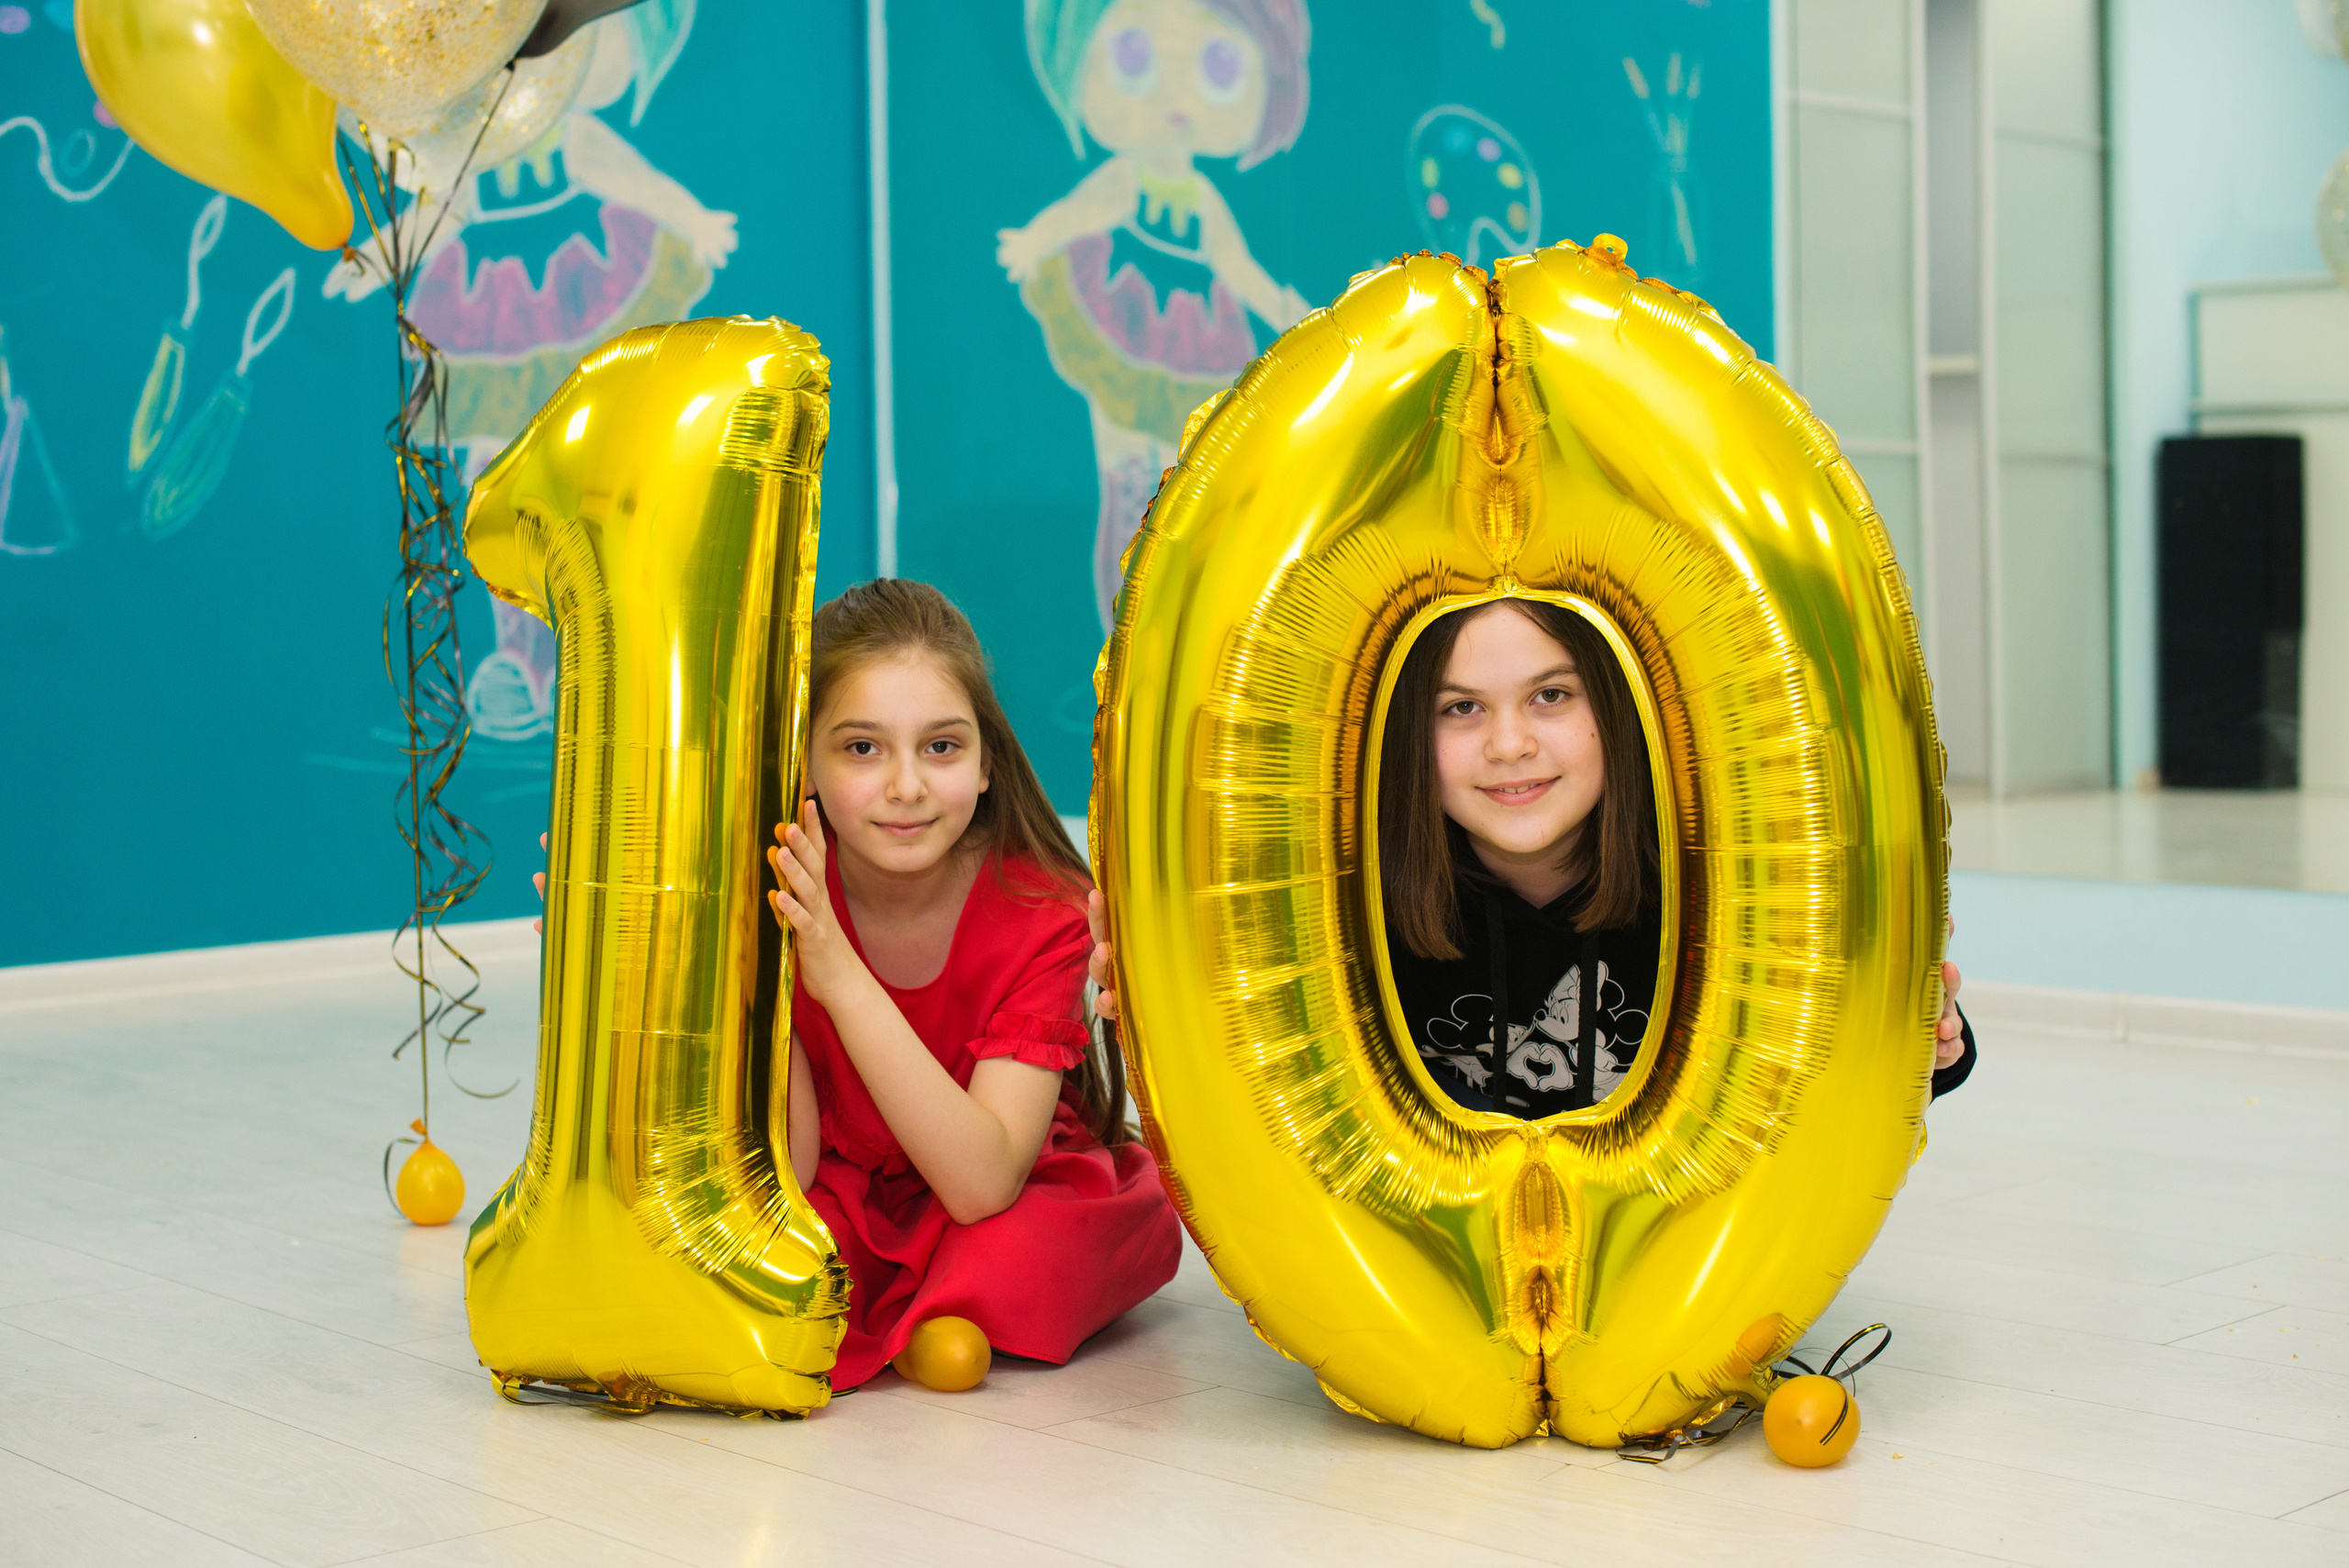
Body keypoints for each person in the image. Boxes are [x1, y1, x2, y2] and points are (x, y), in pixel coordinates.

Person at [1087, 597, 1976, 1114]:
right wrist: (1168, 1022)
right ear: (1406, 737)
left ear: (1615, 710)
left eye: (1549, 695)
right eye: (1460, 708)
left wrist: (1927, 1046)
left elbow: (1814, 1092)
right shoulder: (1350, 914)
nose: (1509, 744)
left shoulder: (1710, 891)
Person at [763, 579, 1180, 1390]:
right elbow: (799, 1164)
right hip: (851, 1186)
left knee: (1036, 1247)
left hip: (997, 1180)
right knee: (780, 1241)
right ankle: (927, 1312)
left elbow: (982, 1181)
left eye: (942, 747)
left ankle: (909, 1311)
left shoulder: (1043, 912)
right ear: (802, 761)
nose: (907, 786)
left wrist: (840, 976)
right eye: (861, 748)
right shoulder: (786, 889)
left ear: (987, 764)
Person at [998, 0, 1314, 628]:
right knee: (1127, 477)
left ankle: (1172, 624)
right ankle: (1122, 630)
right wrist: (1035, 241)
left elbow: (1238, 267)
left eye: (1217, 65)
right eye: (1136, 56)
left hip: (1197, 335)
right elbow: (1079, 215)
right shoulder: (1123, 181)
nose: (1175, 95)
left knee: (1186, 488)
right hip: (1123, 314)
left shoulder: (1203, 198)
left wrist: (1287, 311)